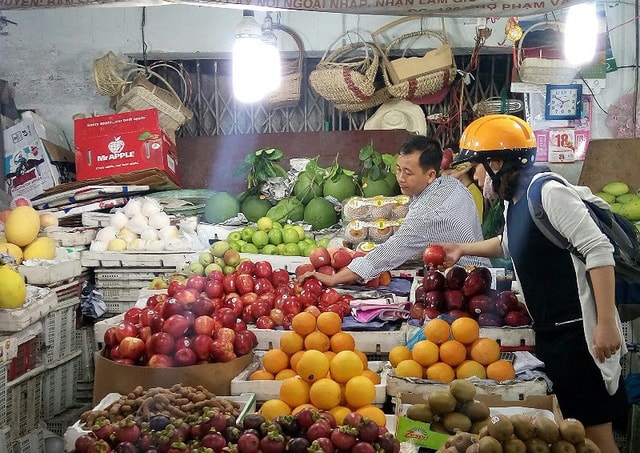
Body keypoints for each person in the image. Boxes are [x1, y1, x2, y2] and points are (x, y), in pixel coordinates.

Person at [437, 114, 628, 452]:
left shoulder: (548, 192)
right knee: (573, 433)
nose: (476, 177)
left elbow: (599, 250)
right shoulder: (516, 199)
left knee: (594, 436)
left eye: (478, 168)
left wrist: (607, 326)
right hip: (552, 332)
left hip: (580, 335)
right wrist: (462, 249)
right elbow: (509, 245)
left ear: (497, 162)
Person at [298, 135, 491, 287]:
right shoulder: (451, 185)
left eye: (408, 173)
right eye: (398, 169)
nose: (400, 178)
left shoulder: (426, 214)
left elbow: (386, 254)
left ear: (431, 174)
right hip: (483, 273)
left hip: (462, 281)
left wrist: (333, 279)